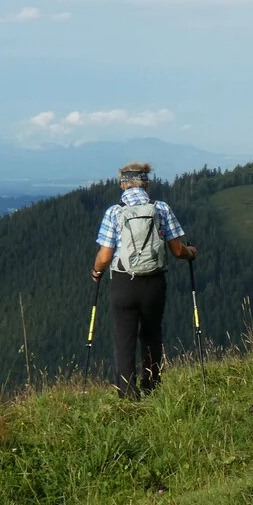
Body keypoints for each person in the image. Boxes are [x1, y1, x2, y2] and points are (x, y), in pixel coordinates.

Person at [90, 162, 197, 399]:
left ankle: (127, 394)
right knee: (151, 334)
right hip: (154, 282)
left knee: (123, 337)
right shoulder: (160, 208)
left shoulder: (114, 212)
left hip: (123, 283)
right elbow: (177, 250)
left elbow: (105, 255)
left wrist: (96, 270)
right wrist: (191, 252)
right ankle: (151, 388)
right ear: (146, 183)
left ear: (123, 183)